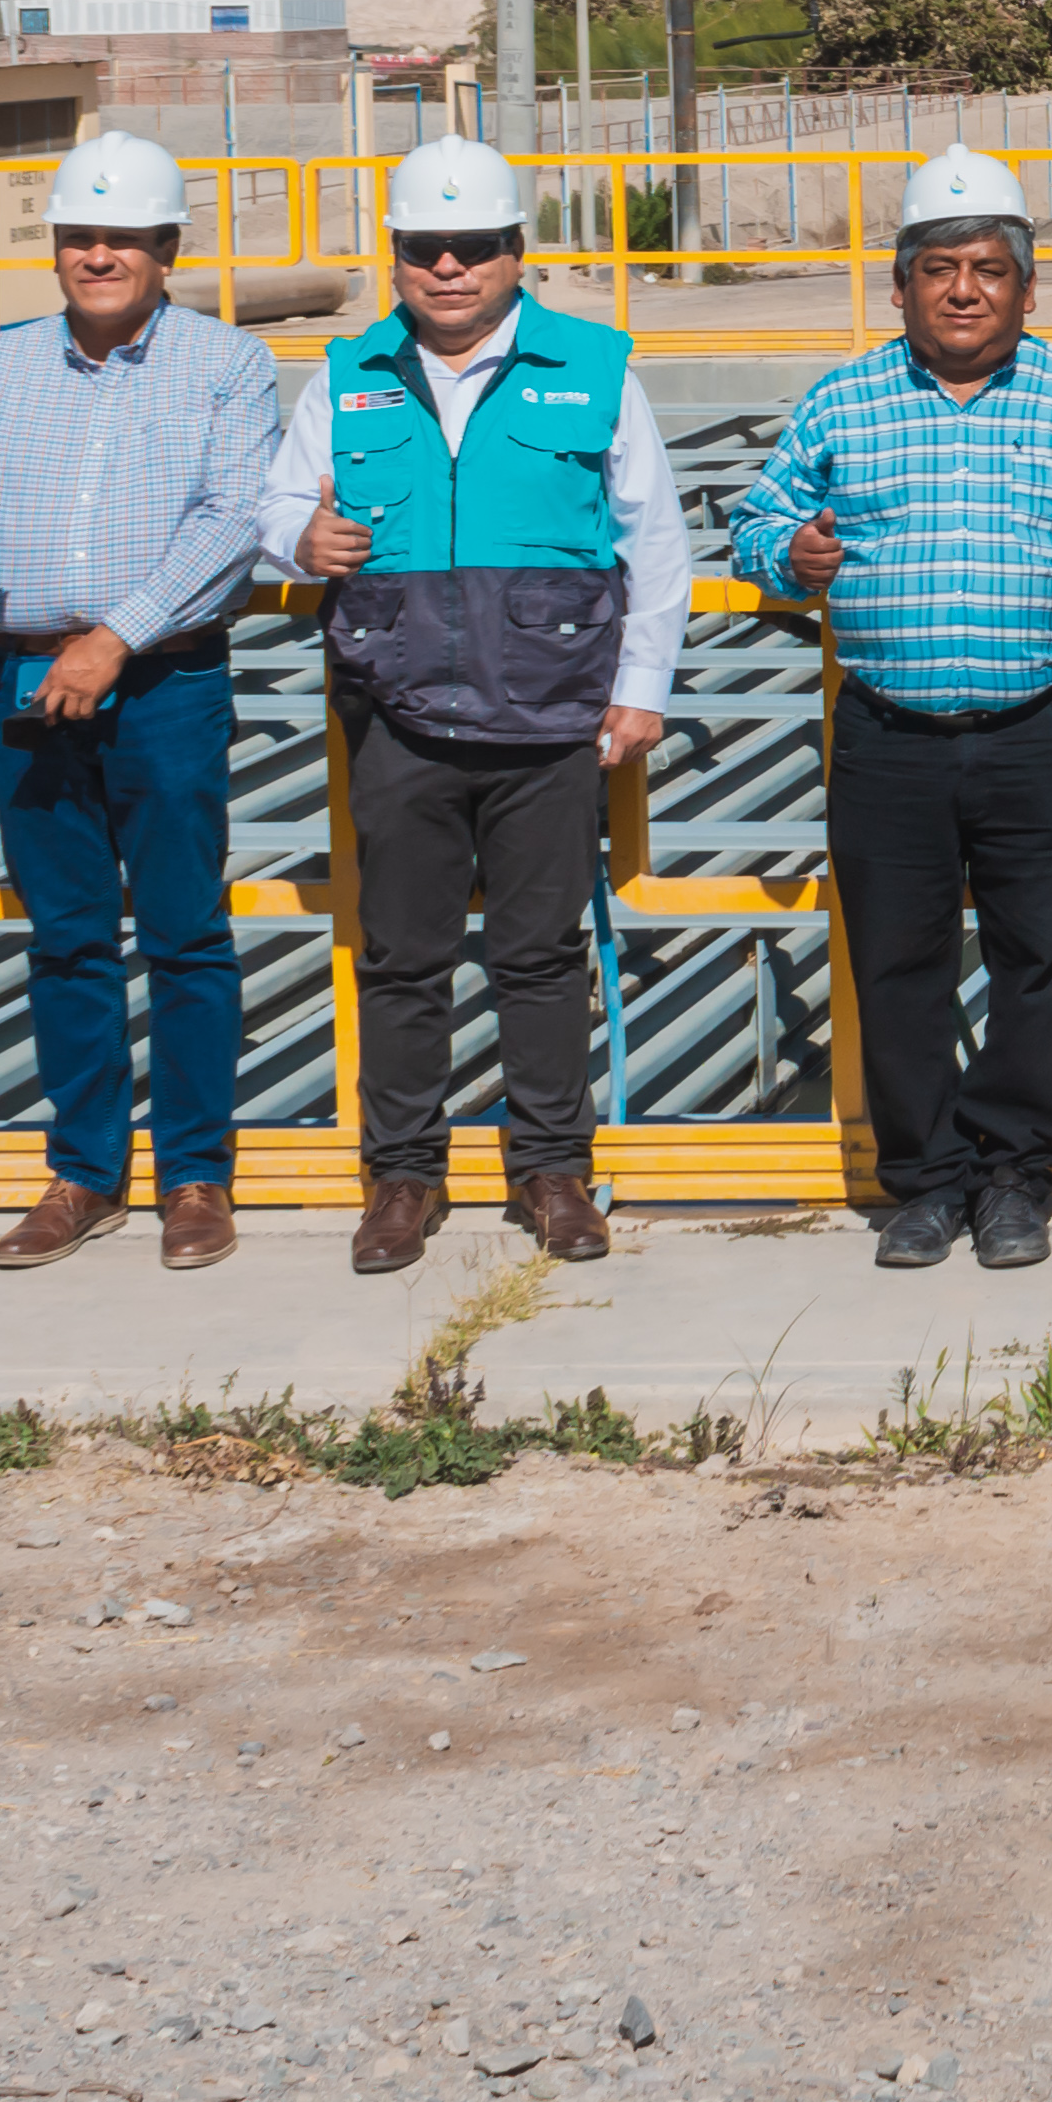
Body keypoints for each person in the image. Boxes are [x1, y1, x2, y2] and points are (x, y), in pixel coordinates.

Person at [729, 150, 1052, 1276]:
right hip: (890, 737)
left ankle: (1017, 1174)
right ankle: (924, 1183)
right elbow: (754, 520)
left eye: (989, 268)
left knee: (1042, 962)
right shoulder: (846, 398)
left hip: (1045, 731)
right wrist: (790, 552)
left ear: (1029, 288)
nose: (965, 289)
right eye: (940, 268)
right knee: (897, 961)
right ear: (900, 286)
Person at [269, 135, 689, 1277]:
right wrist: (299, 540)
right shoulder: (347, 375)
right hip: (395, 712)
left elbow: (655, 539)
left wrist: (641, 688)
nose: (448, 268)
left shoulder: (595, 369)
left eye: (474, 248)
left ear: (516, 254)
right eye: (425, 249)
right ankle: (401, 1178)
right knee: (400, 955)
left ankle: (552, 1172)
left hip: (549, 716)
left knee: (540, 953)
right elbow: (277, 506)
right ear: (397, 258)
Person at [0, 129, 274, 1276]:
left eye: (121, 237)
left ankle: (196, 1175)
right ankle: (85, 1172)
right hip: (21, 675)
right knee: (64, 936)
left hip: (160, 677)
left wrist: (113, 639)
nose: (97, 254)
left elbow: (233, 523)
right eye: (78, 237)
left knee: (184, 932)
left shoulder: (225, 365)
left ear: (167, 248)